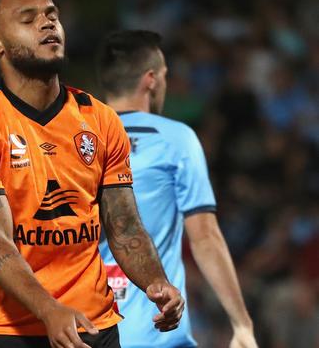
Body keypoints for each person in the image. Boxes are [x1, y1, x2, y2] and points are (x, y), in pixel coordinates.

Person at [0, 0, 184, 347]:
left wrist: (156, 281)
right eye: (28, 18)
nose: (47, 24)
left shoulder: (100, 119)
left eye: (52, 15)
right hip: (7, 328)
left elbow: (124, 227)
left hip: (92, 323)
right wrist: (50, 310)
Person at [96, 30, 258, 348]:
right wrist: (241, 324)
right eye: (167, 76)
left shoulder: (75, 141)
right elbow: (205, 236)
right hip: (156, 335)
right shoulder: (175, 139)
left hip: (90, 331)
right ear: (151, 79)